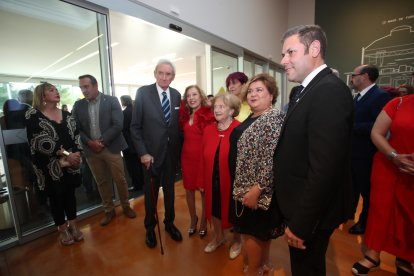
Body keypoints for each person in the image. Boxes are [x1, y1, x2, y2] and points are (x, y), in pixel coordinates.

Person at [274, 25, 354, 275]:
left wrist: (301, 224)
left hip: (309, 214)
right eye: (283, 54)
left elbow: (325, 169)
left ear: (315, 49)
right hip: (301, 205)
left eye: (290, 52)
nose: (283, 60)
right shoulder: (309, 90)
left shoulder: (328, 91)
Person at [352, 93, 414, 276]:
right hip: (388, 165)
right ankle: (373, 255)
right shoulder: (399, 102)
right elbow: (376, 133)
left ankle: (404, 257)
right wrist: (394, 156)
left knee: (409, 215)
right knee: (380, 211)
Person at [229, 73, 285, 275]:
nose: (253, 94)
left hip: (256, 189)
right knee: (262, 230)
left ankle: (253, 270)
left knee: (251, 232)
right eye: (250, 91)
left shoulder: (273, 118)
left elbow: (272, 157)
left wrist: (257, 189)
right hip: (245, 185)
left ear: (271, 95)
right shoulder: (253, 116)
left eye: (259, 90)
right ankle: (262, 263)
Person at [130, 59, 183, 248]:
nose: (164, 77)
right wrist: (143, 153)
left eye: (168, 74)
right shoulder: (143, 93)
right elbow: (135, 127)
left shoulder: (177, 96)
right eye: (161, 73)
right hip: (150, 157)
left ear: (173, 77)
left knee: (170, 192)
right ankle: (150, 228)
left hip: (170, 155)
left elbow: (177, 127)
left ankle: (169, 223)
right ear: (155, 74)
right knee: (151, 194)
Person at [72, 74, 136, 226]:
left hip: (111, 147)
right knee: (101, 182)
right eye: (81, 87)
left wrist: (101, 141)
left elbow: (118, 124)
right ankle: (109, 211)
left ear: (95, 86)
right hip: (91, 151)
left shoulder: (111, 101)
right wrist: (89, 142)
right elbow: (76, 128)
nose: (84, 90)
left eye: (86, 86)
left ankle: (126, 206)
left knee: (120, 179)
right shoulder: (78, 105)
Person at [25, 82, 83, 245]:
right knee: (56, 196)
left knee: (70, 194)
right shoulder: (33, 114)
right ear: (42, 96)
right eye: (51, 90)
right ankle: (62, 229)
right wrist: (67, 154)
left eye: (56, 89)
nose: (56, 92)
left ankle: (74, 224)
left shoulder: (67, 114)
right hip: (48, 166)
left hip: (71, 163)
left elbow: (76, 135)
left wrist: (77, 153)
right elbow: (40, 141)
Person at [348, 64, 391, 235]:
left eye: (354, 74)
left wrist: (352, 127)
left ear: (364, 76)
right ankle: (347, 214)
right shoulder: (357, 97)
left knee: (367, 191)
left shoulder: (381, 96)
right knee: (351, 187)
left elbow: (380, 125)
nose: (352, 78)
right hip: (352, 152)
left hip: (367, 153)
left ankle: (364, 223)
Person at [200, 93, 242, 260]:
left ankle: (237, 241)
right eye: (215, 107)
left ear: (231, 110)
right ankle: (218, 238)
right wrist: (201, 180)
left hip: (233, 181)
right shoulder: (208, 130)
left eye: (221, 107)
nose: (216, 110)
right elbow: (202, 158)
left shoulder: (239, 129)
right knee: (215, 208)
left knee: (235, 212)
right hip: (212, 179)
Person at [179, 85, 215, 238]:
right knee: (188, 190)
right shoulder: (185, 116)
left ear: (201, 96)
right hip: (187, 157)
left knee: (203, 191)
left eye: (194, 94)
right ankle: (193, 219)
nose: (192, 98)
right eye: (188, 96)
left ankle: (203, 222)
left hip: (202, 159)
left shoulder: (208, 115)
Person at [120, 95, 144, 192]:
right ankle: (143, 182)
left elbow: (123, 129)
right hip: (139, 142)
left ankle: (137, 185)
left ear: (123, 101)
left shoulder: (124, 113)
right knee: (139, 164)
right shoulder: (137, 112)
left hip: (129, 144)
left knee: (131, 166)